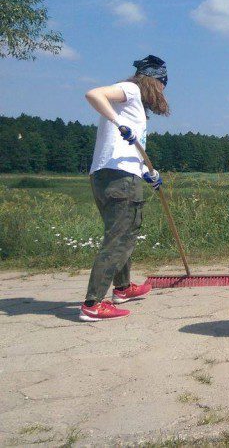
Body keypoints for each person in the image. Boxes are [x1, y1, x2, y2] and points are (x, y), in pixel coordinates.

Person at [79, 55, 170, 321]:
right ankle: (92, 303)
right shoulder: (130, 90)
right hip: (117, 178)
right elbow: (93, 94)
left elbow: (132, 152)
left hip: (118, 174)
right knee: (118, 238)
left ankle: (122, 287)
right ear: (154, 81)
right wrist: (120, 124)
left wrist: (150, 173)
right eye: (163, 85)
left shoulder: (138, 109)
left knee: (125, 234)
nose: (163, 92)